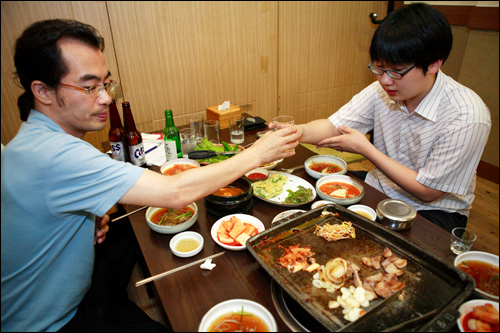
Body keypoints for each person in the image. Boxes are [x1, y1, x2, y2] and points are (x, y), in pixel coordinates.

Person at [1, 19, 298, 332]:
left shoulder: (32, 139)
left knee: (124, 234)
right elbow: (174, 193)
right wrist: (256, 154)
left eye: (106, 84)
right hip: (50, 323)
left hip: (73, 290)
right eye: (89, 87)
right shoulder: (55, 154)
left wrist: (78, 223)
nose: (104, 98)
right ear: (42, 91)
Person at [284, 3, 491, 233]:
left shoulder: (467, 115)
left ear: (434, 63)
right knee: (305, 203)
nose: (385, 80)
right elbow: (334, 126)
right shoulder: (381, 90)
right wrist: (296, 132)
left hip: (433, 211)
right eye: (380, 68)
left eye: (396, 71)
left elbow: (429, 191)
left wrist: (366, 149)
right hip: (380, 187)